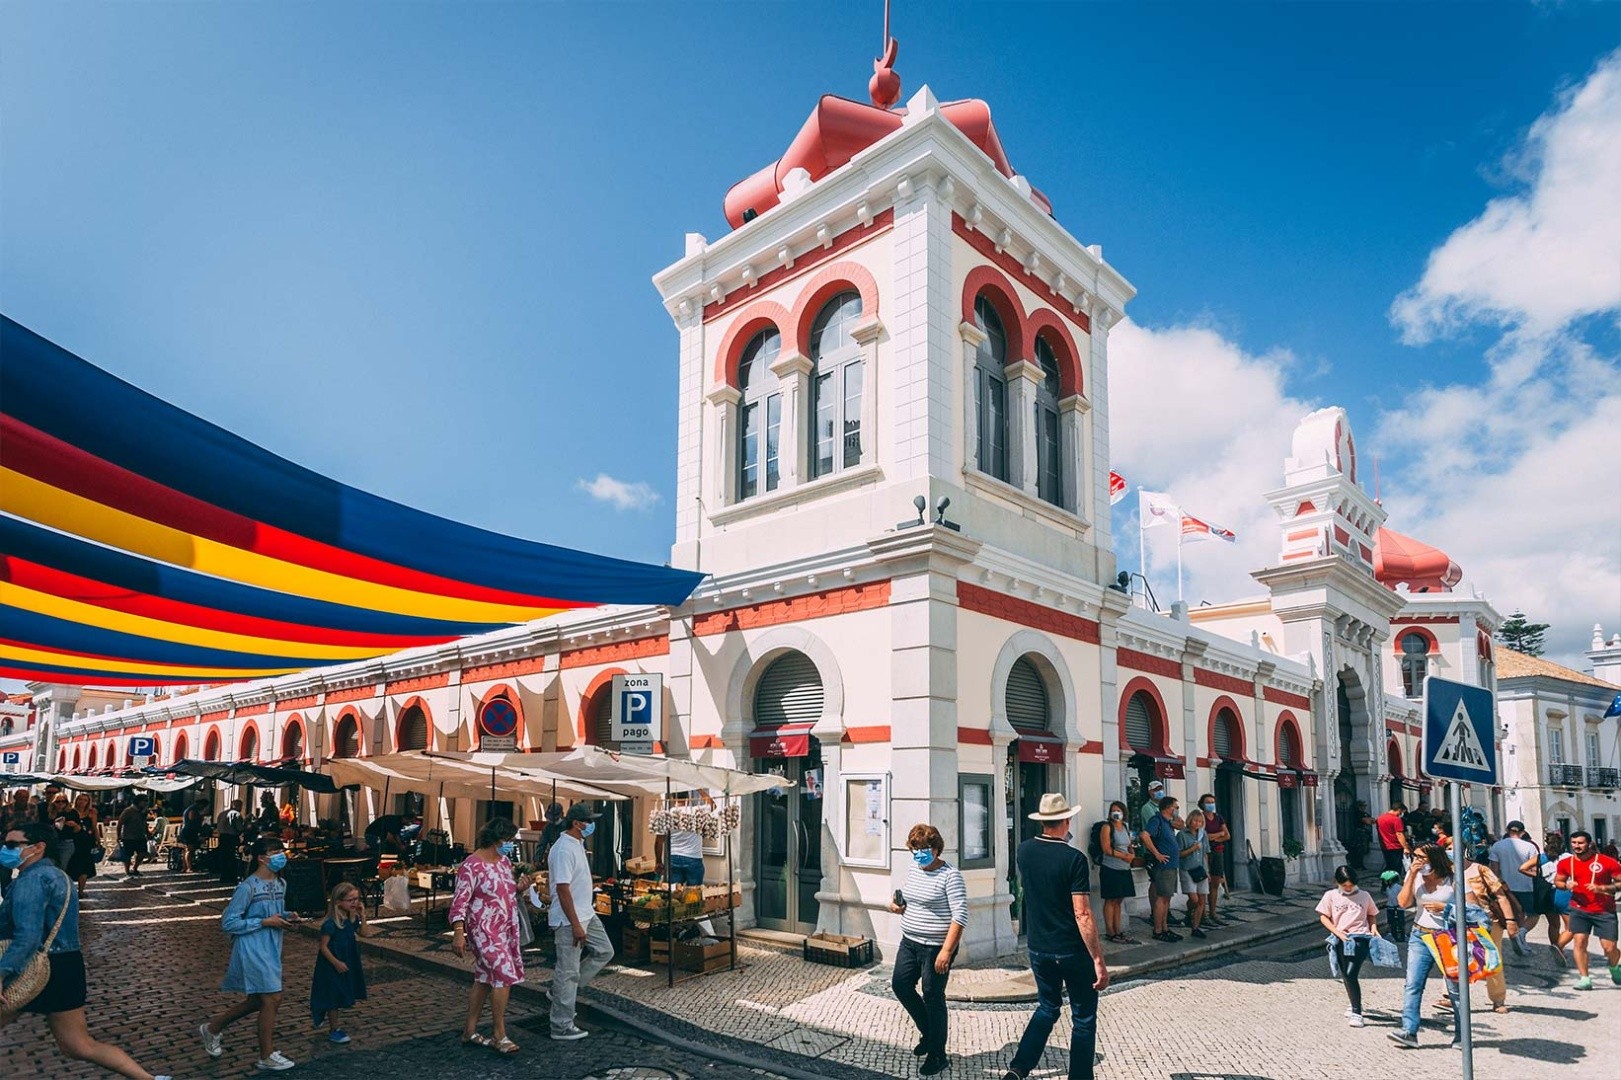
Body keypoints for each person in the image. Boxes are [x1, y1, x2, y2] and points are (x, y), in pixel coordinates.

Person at [0, 822, 173, 1079]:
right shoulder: (61, 876)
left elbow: (28, 936)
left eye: (13, 844)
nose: (6, 848)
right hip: (66, 967)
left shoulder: (33, 880)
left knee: (78, 1045)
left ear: (38, 847)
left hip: (31, 966)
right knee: (79, 1045)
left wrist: (2, 974)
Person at [1002, 794, 1106, 1080]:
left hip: (1039, 946)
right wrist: (1098, 958)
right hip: (1071, 949)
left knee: (1047, 1007)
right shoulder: (1074, 859)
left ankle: (1019, 1067)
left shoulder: (1024, 851)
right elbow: (1082, 913)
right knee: (1083, 1017)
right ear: (1066, 820)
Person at [199, 836, 299, 1071]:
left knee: (257, 1000)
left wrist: (287, 917)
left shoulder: (281, 884)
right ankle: (266, 1055)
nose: (280, 855)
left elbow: (274, 912)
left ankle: (212, 1028)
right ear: (261, 858)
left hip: (272, 946)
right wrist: (264, 922)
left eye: (281, 850)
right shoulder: (248, 887)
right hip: (252, 946)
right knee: (272, 998)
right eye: (275, 851)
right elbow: (229, 922)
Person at [889, 823, 967, 1077]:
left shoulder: (950, 876)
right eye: (914, 850)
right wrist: (897, 905)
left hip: (936, 947)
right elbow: (909, 896)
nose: (918, 855)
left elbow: (960, 916)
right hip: (910, 941)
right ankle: (929, 1033)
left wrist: (946, 951)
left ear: (936, 850)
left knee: (932, 996)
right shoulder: (914, 868)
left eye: (923, 850)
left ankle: (938, 1055)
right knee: (900, 985)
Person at [451, 817, 525, 1053]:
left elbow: (504, 891)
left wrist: (519, 888)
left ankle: (469, 1031)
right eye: (509, 840)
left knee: (484, 978)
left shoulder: (504, 862)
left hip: (504, 929)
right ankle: (499, 1034)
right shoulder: (471, 866)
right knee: (504, 975)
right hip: (483, 930)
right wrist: (459, 933)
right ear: (496, 839)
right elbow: (459, 902)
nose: (511, 845)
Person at [547, 804, 613, 1042]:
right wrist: (575, 923)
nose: (591, 825)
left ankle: (559, 993)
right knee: (568, 971)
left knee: (605, 951)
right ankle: (561, 1025)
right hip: (570, 918)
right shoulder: (564, 849)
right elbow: (563, 889)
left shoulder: (577, 844)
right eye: (588, 821)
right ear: (577, 824)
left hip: (587, 913)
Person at [1387, 843, 1458, 1050]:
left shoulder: (1453, 880)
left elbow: (1469, 908)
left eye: (1421, 858)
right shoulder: (1416, 876)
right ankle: (1409, 1031)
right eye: (1415, 857)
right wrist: (1410, 874)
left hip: (1447, 936)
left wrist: (1445, 908)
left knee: (1455, 988)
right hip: (1419, 935)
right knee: (1412, 984)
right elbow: (1403, 903)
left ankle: (1462, 1035)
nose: (1417, 861)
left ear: (1434, 859)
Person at [1552, 830, 1621, 991]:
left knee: (1609, 948)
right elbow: (1558, 881)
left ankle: (1614, 967)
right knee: (1580, 942)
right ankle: (1584, 978)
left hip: (1604, 909)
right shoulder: (1566, 863)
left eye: (1580, 843)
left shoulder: (1606, 862)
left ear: (1589, 844)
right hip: (1579, 908)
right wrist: (1566, 885)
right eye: (1574, 843)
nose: (1577, 846)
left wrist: (1604, 887)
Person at [1316, 865, 1381, 1028]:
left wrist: (1373, 928)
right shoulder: (1330, 896)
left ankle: (1357, 1013)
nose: (1348, 888)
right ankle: (1353, 1003)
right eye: (1344, 885)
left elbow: (1371, 914)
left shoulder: (1364, 896)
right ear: (1337, 883)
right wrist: (1337, 932)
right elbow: (1324, 917)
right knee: (1345, 973)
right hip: (1340, 938)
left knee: (1351, 973)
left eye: (1351, 885)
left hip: (1360, 937)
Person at [309, 881, 368, 1043]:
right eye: (351, 900)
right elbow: (324, 947)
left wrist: (363, 917)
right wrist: (335, 962)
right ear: (338, 902)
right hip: (331, 963)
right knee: (333, 995)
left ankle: (329, 1022)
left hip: (348, 959)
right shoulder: (330, 924)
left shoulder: (350, 920)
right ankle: (334, 1028)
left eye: (356, 899)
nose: (355, 903)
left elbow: (365, 934)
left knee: (341, 991)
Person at [1523, 830, 1573, 965]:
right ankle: (1559, 947)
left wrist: (1538, 874)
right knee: (1571, 926)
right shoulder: (1568, 857)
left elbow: (1522, 868)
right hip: (1563, 893)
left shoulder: (1541, 857)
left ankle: (1557, 951)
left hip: (1547, 894)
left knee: (1554, 924)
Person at [1489, 821, 1539, 953]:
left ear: (1507, 830)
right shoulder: (1530, 847)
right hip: (1526, 886)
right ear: (1522, 832)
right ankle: (1521, 934)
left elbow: (1494, 870)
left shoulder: (1497, 846)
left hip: (1505, 887)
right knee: (1533, 915)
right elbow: (1534, 868)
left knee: (1514, 917)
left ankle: (1519, 942)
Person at [1139, 793, 1182, 943]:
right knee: (1161, 898)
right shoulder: (1156, 820)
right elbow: (1144, 835)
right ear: (1169, 808)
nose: (1177, 809)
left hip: (1171, 865)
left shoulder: (1168, 822)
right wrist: (1157, 854)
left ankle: (1165, 928)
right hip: (1163, 866)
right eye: (1176, 807)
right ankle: (1158, 930)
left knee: (1166, 899)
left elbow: (1182, 824)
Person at [1094, 801, 1139, 945]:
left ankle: (1118, 929)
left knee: (1119, 900)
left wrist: (1132, 853)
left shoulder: (1124, 827)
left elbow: (1128, 845)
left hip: (1124, 868)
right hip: (1110, 867)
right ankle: (1110, 931)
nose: (1116, 813)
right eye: (1113, 810)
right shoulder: (1107, 827)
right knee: (1110, 899)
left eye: (1118, 810)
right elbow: (1106, 849)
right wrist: (1125, 857)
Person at [1197, 794, 1230, 927]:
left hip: (1218, 852)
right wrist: (1218, 835)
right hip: (1204, 853)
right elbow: (1203, 837)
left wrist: (1215, 838)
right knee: (1204, 883)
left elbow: (1227, 835)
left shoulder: (1218, 817)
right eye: (1208, 802)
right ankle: (1202, 914)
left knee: (1215, 883)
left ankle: (1213, 913)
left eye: (1212, 802)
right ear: (1202, 804)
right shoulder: (1200, 818)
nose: (1211, 804)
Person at [1177, 809, 1211, 939]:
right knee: (1194, 899)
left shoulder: (1203, 835)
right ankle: (1189, 912)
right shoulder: (1182, 835)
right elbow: (1179, 854)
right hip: (1187, 869)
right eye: (1195, 821)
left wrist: (1207, 871)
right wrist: (1193, 848)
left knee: (1202, 899)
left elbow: (1205, 854)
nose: (1197, 824)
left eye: (1200, 821)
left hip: (1200, 869)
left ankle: (1195, 927)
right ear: (1190, 820)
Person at [62, 799, 97, 898]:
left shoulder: (91, 813)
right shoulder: (71, 812)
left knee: (85, 866)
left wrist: (97, 840)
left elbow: (94, 828)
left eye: (85, 800)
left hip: (86, 841)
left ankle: (81, 890)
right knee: (70, 865)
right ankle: (69, 889)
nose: (82, 802)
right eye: (80, 799)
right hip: (73, 841)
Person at [116, 797, 148, 878]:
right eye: (143, 802)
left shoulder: (143, 812)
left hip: (140, 836)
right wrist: (118, 835)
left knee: (142, 853)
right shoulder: (128, 811)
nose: (144, 804)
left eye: (145, 802)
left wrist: (147, 833)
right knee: (128, 855)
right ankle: (127, 871)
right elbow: (120, 823)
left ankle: (135, 868)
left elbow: (144, 823)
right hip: (128, 837)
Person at [216, 799, 245, 884]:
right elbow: (239, 828)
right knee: (232, 858)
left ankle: (223, 877)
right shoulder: (236, 814)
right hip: (232, 838)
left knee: (224, 857)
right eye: (240, 806)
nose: (241, 808)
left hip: (222, 837)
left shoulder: (222, 814)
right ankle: (232, 877)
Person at [1376, 801, 1410, 874]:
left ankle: (1386, 882)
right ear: (1399, 810)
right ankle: (1392, 883)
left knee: (1389, 865)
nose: (1401, 814)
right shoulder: (1396, 819)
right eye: (1401, 812)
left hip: (1385, 846)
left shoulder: (1380, 818)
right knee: (1396, 867)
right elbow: (1399, 834)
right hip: (1395, 846)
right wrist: (1405, 847)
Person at [178, 799, 207, 874]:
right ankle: (189, 867)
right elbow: (192, 819)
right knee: (190, 850)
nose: (204, 808)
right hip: (189, 831)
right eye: (204, 806)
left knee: (186, 850)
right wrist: (201, 818)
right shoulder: (193, 809)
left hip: (186, 831)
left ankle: (185, 867)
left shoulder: (191, 808)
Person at [1380, 869, 1407, 940]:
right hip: (1390, 908)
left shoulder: (1398, 887)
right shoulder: (1388, 888)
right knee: (1392, 923)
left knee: (1400, 923)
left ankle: (1402, 937)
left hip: (1398, 908)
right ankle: (1394, 936)